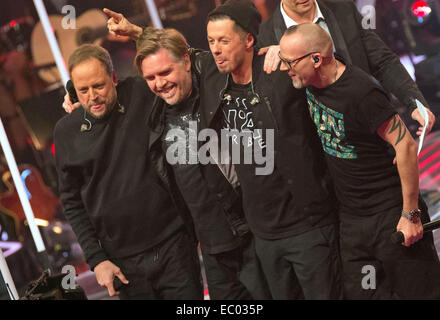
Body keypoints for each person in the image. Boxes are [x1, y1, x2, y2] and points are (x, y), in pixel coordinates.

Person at [279, 23, 440, 299]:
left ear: (317, 59)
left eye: (289, 62)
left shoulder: (362, 92)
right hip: (353, 223)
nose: (285, 68)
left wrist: (410, 214)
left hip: (391, 215)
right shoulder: (309, 83)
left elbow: (405, 146)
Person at [196, 0, 342, 299]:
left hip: (308, 226)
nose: (216, 49)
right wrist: (135, 32)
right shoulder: (213, 79)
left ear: (250, 39)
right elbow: (178, 58)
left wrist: (280, 48)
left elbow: (329, 68)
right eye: (211, 41)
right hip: (262, 233)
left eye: (224, 40)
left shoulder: (281, 75)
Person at [54, 44, 203, 300]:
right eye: (83, 90)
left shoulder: (140, 93)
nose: (93, 97)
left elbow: (182, 63)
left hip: (174, 245)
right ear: (73, 91)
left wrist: (137, 33)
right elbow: (72, 202)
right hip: (122, 263)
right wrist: (97, 259)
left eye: (99, 86)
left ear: (114, 78)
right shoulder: (66, 132)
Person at [258, 0, 435, 136]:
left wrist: (415, 103)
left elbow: (382, 61)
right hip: (326, 160)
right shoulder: (267, 37)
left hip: (375, 133)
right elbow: (283, 114)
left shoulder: (342, 8)